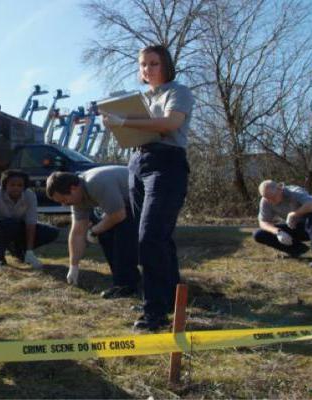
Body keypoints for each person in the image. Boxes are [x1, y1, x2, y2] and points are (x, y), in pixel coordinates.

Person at [102, 44, 194, 331]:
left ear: (165, 65)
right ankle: (167, 300)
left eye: (153, 63)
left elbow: (168, 124)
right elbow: (139, 128)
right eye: (143, 64)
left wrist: (126, 120)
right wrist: (116, 124)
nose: (147, 69)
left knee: (150, 237)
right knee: (159, 239)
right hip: (137, 162)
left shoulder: (178, 92)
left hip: (166, 163)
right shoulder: (143, 98)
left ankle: (154, 313)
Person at [46, 166, 140, 299]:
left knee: (121, 234)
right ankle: (124, 280)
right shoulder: (78, 199)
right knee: (106, 233)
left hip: (150, 196)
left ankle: (127, 285)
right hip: (127, 205)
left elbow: (118, 215)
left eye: (63, 200)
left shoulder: (95, 183)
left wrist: (94, 231)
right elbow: (77, 232)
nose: (64, 205)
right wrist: (74, 266)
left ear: (73, 189)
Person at [0, 169, 59, 268]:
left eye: (19, 185)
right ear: (5, 185)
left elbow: (31, 224)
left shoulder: (30, 195)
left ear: (24, 187)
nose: (16, 188)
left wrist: (29, 251)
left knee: (52, 232)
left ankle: (23, 253)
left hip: (18, 227)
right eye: (12, 185)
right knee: (9, 224)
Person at [253, 180, 312, 268]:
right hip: (298, 228)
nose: (271, 201)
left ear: (280, 188)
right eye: (267, 198)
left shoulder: (294, 191)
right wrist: (278, 232)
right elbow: (263, 222)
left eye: (273, 197)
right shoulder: (265, 200)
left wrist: (294, 214)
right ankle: (297, 250)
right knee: (259, 234)